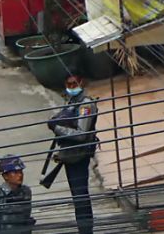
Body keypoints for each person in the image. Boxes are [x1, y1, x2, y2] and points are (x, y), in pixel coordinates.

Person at [48, 75, 98, 234]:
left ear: (81, 82)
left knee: (80, 195)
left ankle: (86, 230)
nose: (71, 86)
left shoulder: (85, 104)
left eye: (74, 83)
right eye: (68, 84)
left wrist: (57, 128)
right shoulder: (72, 102)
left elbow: (81, 134)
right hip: (70, 155)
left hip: (79, 155)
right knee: (77, 197)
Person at [0, 155, 35, 234]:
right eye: (15, 172)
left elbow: (26, 216)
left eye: (21, 171)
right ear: (5, 176)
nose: (20, 175)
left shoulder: (26, 192)